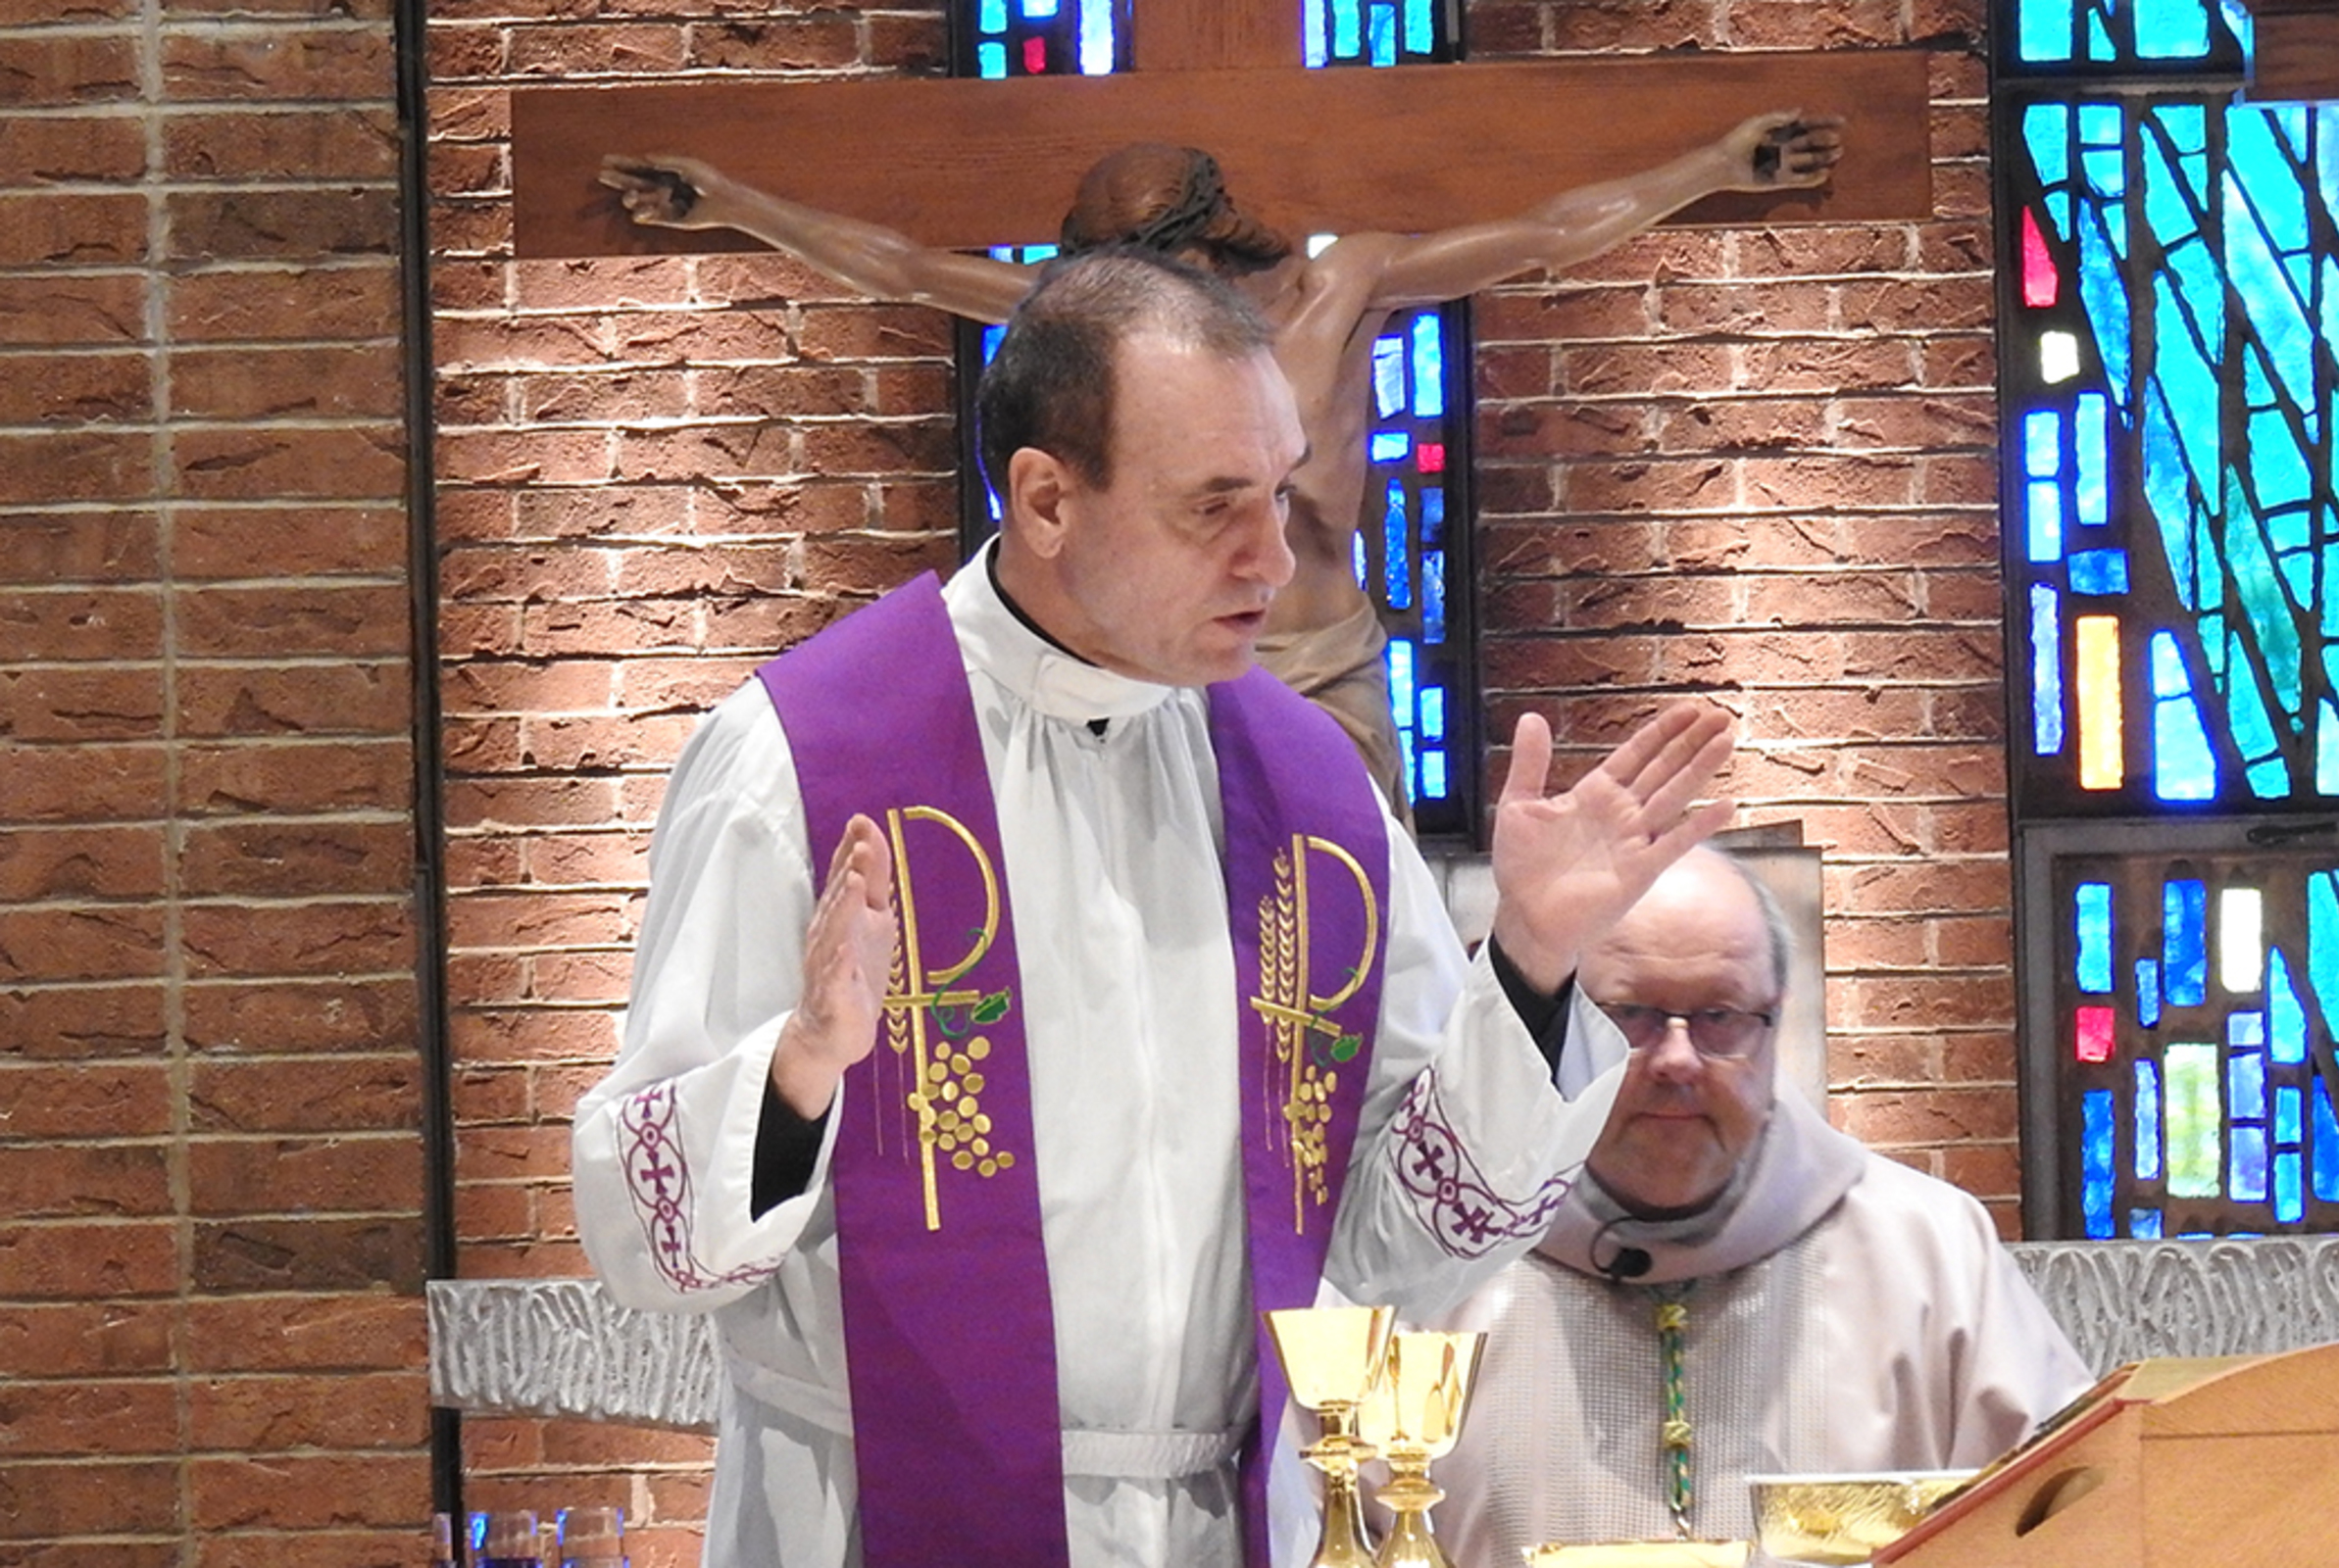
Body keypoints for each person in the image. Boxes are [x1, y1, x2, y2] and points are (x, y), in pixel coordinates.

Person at [570, 249, 1743, 1568]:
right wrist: (794, 1076)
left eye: (1282, 490)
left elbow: (1401, 1249)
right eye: (1212, 506)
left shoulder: (1311, 794)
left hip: (1220, 1521)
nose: (1275, 554)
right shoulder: (800, 762)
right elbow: (649, 1246)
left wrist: (1528, 959)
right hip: (870, 1518)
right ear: (1047, 499)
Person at [596, 113, 1844, 813]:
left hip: (1316, 666)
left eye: (1155, 270)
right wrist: (734, 205)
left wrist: (1713, 167)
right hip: (1151, 676)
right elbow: (909, 270)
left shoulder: (1340, 287)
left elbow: (1545, 233)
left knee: (1345, 923)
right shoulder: (1099, 324)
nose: (1140, 301)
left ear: (1209, 239)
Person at [1414, 847, 2095, 1565]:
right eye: (1631, 1014)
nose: (1677, 1059)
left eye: (1720, 1015)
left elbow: (2071, 1521)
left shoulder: (1931, 1252)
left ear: (1775, 1020)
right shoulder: (1441, 1257)